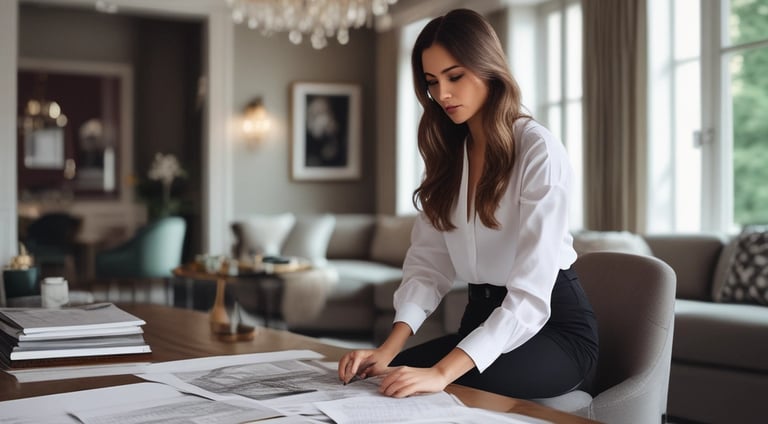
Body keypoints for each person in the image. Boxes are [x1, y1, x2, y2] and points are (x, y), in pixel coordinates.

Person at [337, 8, 598, 400]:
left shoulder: (538, 150)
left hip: (553, 332)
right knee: (381, 384)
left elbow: (529, 296)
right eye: (432, 82)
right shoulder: (448, 155)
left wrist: (442, 372)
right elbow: (428, 265)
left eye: (455, 76)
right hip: (478, 322)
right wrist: (387, 351)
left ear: (488, 68)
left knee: (435, 390)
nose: (442, 94)